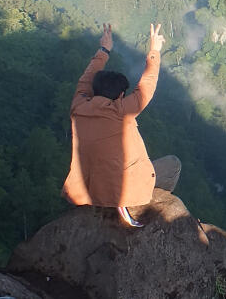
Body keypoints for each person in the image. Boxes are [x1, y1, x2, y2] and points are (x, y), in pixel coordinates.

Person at [62, 23, 181, 227]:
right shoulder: (120, 112)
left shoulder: (78, 106)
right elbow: (147, 86)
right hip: (119, 189)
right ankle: (135, 206)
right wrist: (154, 51)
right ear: (120, 96)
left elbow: (85, 80)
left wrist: (103, 50)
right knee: (173, 165)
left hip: (83, 190)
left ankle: (109, 204)